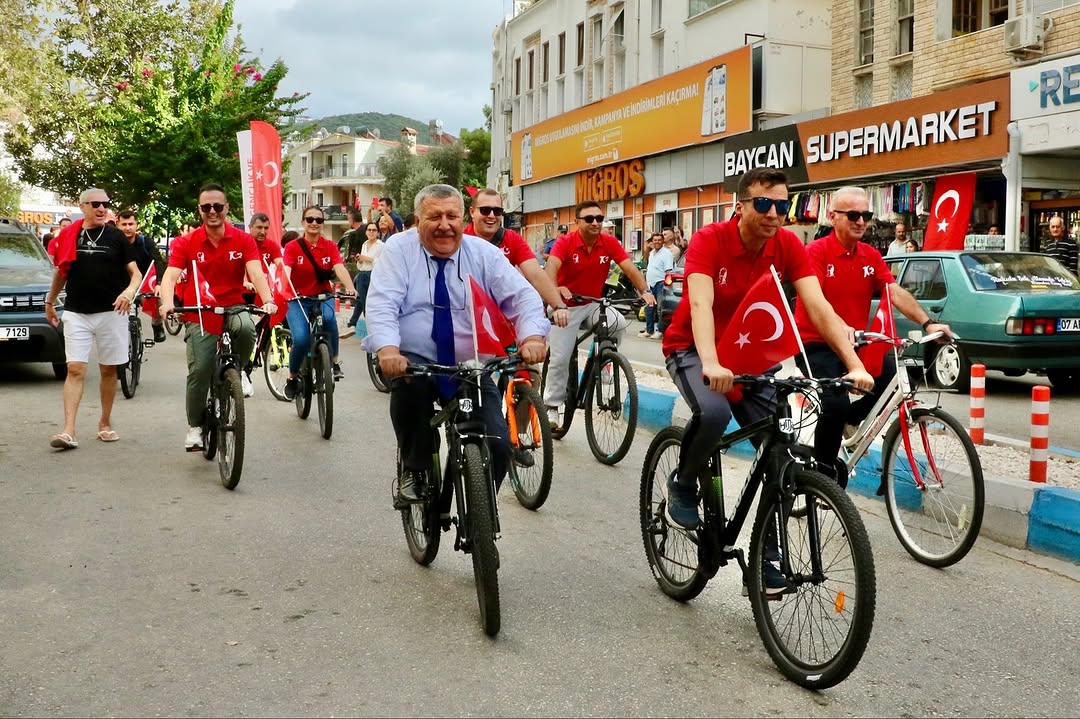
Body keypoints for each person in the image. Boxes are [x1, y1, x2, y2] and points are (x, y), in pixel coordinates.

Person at [660, 168, 874, 541]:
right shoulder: (710, 240)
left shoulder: (788, 245)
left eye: (781, 204)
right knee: (714, 412)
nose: (774, 213)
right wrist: (711, 361)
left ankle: (768, 556)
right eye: (763, 204)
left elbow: (818, 306)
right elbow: (700, 303)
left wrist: (854, 363)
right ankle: (683, 481)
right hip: (694, 347)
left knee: (782, 450)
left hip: (751, 357)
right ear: (740, 207)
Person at [363, 184, 550, 504]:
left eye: (452, 216)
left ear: (464, 219)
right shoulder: (398, 250)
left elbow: (522, 297)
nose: (445, 225)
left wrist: (532, 336)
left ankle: (481, 509)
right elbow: (382, 303)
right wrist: (388, 349)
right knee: (409, 398)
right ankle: (416, 469)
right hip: (415, 360)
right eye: (434, 216)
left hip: (470, 363)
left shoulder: (484, 254)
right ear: (418, 219)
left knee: (499, 443)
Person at [794, 186, 951, 488]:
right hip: (816, 345)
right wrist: (840, 325)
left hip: (857, 342)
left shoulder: (870, 255)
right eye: (853, 215)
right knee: (835, 405)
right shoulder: (814, 253)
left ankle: (849, 421)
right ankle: (825, 481)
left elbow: (893, 291)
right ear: (832, 216)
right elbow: (817, 305)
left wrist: (929, 322)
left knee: (901, 377)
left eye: (866, 215)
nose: (861, 222)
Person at [158, 183, 277, 450]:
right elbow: (170, 276)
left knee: (247, 327)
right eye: (206, 207)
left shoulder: (243, 239)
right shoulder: (186, 243)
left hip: (233, 306)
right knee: (200, 371)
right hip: (200, 312)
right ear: (200, 210)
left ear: (227, 208)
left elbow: (256, 273)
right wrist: (167, 303)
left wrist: (268, 299)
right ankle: (196, 427)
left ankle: (242, 370)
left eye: (218, 206)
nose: (212, 211)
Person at [543, 200, 655, 428]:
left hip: (593, 303)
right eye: (589, 219)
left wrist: (645, 291)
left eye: (599, 219)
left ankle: (603, 360)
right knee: (560, 357)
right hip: (565, 306)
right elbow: (550, 270)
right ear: (577, 222)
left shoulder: (608, 242)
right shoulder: (565, 243)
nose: (595, 223)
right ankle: (552, 405)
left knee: (617, 321)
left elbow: (629, 268)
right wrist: (555, 298)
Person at [44, 188, 142, 449]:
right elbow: (61, 272)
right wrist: (50, 300)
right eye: (96, 204)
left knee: (108, 369)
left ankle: (104, 422)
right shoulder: (70, 235)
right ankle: (68, 431)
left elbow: (136, 274)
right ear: (83, 206)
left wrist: (129, 292)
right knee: (75, 369)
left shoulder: (116, 237)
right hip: (77, 312)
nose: (101, 208)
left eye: (105, 204)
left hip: (112, 312)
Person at [281, 205, 357, 398]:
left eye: (319, 220)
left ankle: (333, 361)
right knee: (300, 338)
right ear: (303, 223)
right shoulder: (292, 247)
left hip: (322, 296)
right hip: (297, 299)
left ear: (323, 224)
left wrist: (350, 287)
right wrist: (283, 287)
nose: (314, 223)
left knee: (330, 319)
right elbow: (286, 271)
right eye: (310, 219)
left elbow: (339, 268)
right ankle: (292, 376)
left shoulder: (329, 246)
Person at [464, 188, 568, 326]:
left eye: (497, 211)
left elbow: (536, 274)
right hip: (468, 313)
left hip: (504, 314)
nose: (491, 215)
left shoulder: (512, 238)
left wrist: (558, 306)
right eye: (485, 210)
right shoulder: (461, 240)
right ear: (472, 212)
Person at [238, 212, 282, 397]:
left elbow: (280, 265)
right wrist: (246, 282)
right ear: (250, 227)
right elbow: (240, 268)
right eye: (259, 228)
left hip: (261, 292)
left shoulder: (271, 246)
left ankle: (258, 354)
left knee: (269, 320)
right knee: (243, 329)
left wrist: (286, 277)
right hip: (243, 293)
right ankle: (239, 366)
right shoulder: (244, 243)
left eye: (266, 228)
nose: (263, 231)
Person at [116, 209, 168, 343]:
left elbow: (158, 262)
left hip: (145, 286)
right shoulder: (113, 243)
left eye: (131, 224)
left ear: (136, 225)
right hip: (122, 286)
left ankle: (157, 325)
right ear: (118, 225)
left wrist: (159, 283)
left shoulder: (147, 243)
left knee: (157, 299)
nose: (128, 228)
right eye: (124, 224)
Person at [346, 221, 383, 328]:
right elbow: (361, 263)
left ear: (377, 232)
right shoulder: (364, 244)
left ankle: (369, 323)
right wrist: (360, 260)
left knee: (369, 300)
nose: (371, 232)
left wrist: (367, 259)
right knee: (361, 298)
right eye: (369, 230)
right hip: (362, 274)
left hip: (374, 274)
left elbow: (382, 262)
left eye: (374, 230)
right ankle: (356, 321)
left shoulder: (381, 246)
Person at [640, 232, 671, 339]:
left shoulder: (666, 253)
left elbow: (668, 271)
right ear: (652, 242)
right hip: (650, 284)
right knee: (649, 308)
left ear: (663, 241)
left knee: (660, 308)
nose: (657, 242)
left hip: (661, 283)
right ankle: (649, 330)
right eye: (655, 240)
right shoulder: (652, 253)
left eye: (659, 240)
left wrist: (667, 285)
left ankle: (659, 330)